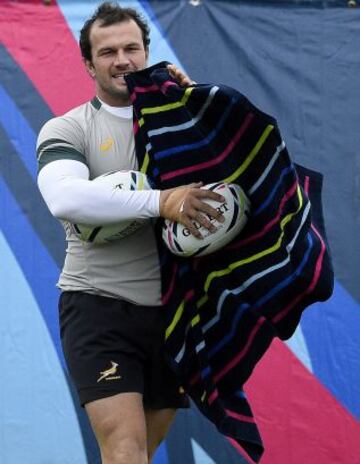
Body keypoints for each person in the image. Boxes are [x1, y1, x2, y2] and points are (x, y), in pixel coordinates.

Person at [36, 2, 225, 464]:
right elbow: (65, 198)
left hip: (176, 313)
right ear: (88, 64)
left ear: (146, 53)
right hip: (98, 307)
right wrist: (161, 201)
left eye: (131, 48)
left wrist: (199, 104)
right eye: (107, 52)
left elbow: (233, 183)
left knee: (140, 451)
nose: (122, 59)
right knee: (124, 450)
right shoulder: (68, 128)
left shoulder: (184, 121)